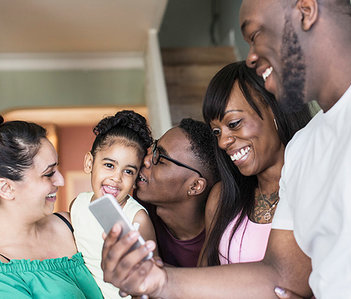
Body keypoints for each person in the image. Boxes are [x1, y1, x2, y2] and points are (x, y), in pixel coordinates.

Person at [100, 0, 351, 298]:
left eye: (255, 35)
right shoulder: (304, 148)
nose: (250, 57)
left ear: (306, 9)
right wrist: (160, 280)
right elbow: (282, 275)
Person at [199, 61, 311, 266]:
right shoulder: (221, 198)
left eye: (233, 124)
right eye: (217, 132)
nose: (223, 142)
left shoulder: (315, 188)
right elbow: (203, 278)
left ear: (275, 110)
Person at [0, 116, 102, 298]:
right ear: (6, 188)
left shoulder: (72, 224)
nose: (61, 180)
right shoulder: (4, 273)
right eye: (48, 174)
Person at [70, 110, 156, 299]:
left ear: (136, 179)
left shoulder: (137, 218)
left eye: (128, 171)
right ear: (89, 163)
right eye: (109, 165)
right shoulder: (78, 204)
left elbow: (152, 284)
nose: (116, 178)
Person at [136, 118, 219, 267]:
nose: (146, 160)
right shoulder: (136, 209)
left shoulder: (224, 242)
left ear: (195, 186)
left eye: (160, 159)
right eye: (154, 148)